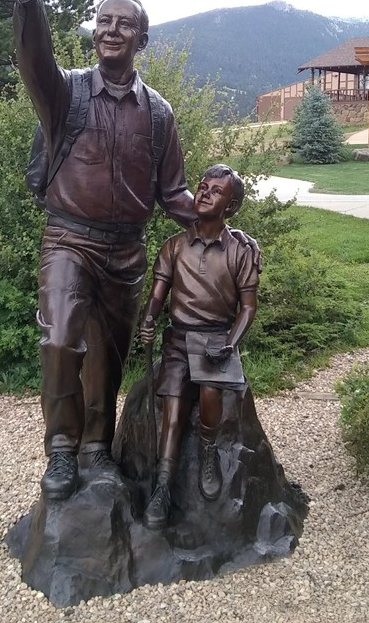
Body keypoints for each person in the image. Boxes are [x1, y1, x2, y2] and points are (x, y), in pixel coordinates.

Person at [10, 0, 258, 502]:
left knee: (107, 358)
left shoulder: (158, 114)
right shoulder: (65, 93)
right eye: (103, 20)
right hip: (69, 240)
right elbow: (31, 56)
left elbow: (174, 194)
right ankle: (62, 451)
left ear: (142, 40)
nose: (111, 30)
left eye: (125, 23)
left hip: (126, 250)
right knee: (60, 340)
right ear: (93, 31)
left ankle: (97, 448)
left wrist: (218, 226)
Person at [139, 164, 259, 530]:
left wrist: (230, 345)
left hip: (216, 340)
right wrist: (148, 321)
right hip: (178, 338)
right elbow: (157, 296)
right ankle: (162, 486)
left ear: (231, 205)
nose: (204, 193)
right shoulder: (174, 246)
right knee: (173, 411)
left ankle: (209, 451)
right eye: (202, 187)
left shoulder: (240, 250)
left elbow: (248, 308)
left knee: (210, 393)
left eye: (216, 191)